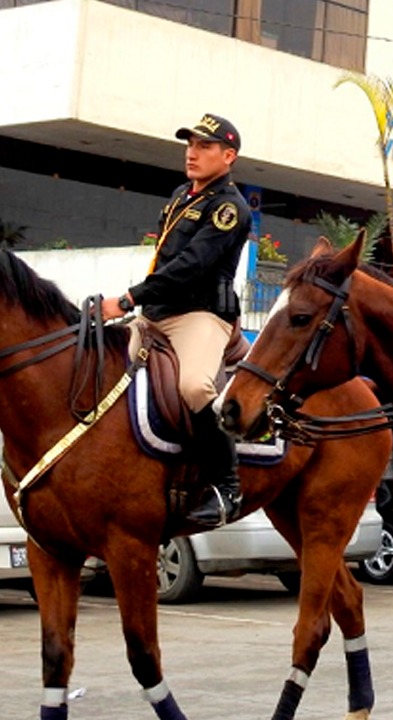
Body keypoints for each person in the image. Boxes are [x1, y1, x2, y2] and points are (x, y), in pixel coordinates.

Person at [101, 113, 252, 529]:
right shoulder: (181, 195)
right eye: (190, 144)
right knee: (102, 364)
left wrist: (129, 298)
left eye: (204, 146)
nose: (192, 152)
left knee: (194, 385)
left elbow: (191, 265)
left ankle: (227, 487)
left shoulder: (229, 208)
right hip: (156, 314)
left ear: (228, 156)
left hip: (200, 315)